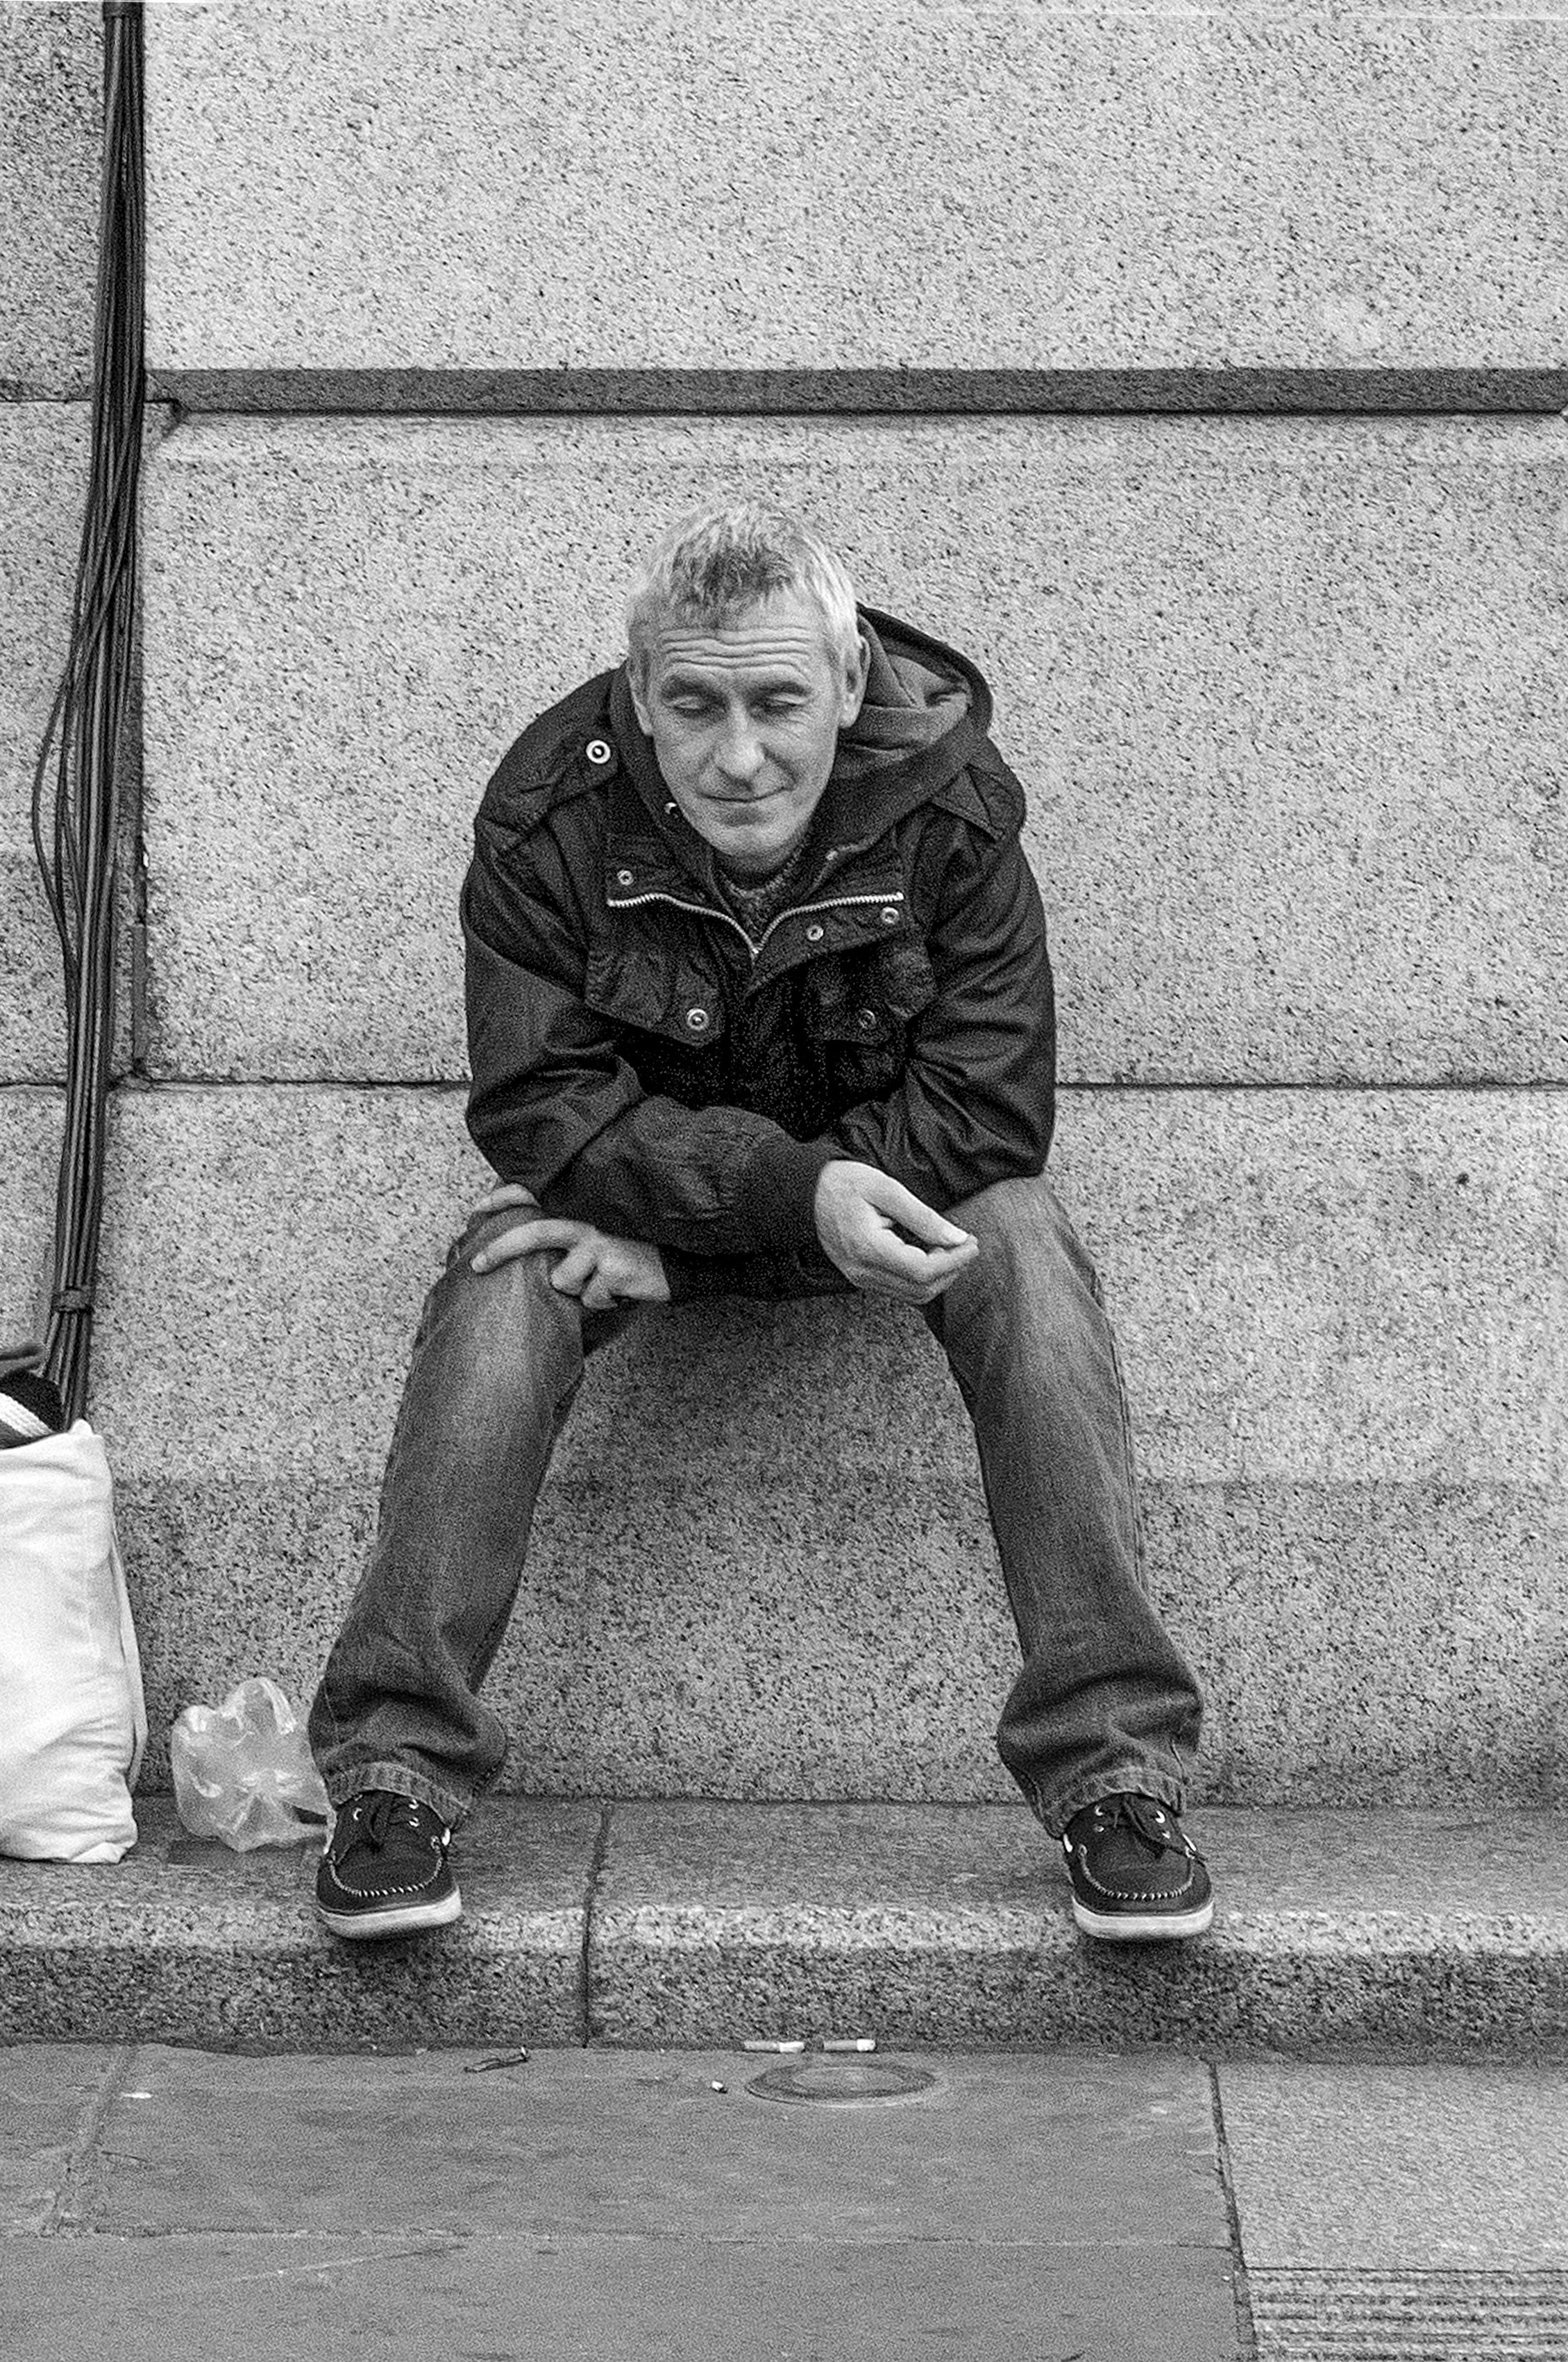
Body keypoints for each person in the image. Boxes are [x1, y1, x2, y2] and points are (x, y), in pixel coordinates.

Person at [305, 505, 1213, 1950]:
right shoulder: (549, 814)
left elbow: (986, 1112)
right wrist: (778, 1205)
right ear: (637, 691)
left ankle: (1116, 1769)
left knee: (1025, 1247)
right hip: (637, 1187)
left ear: (849, 685)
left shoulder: (954, 808)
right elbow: (543, 1107)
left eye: (778, 701)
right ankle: (392, 1771)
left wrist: (717, 1246)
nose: (740, 756)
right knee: (500, 1283)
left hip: (835, 1188)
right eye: (696, 705)